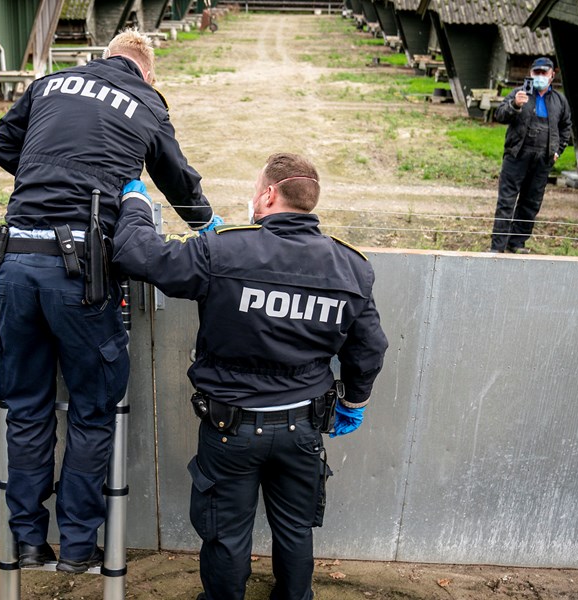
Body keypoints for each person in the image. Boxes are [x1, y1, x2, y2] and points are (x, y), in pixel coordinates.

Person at [0, 29, 218, 573]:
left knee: (25, 405)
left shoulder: (48, 83)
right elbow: (178, 182)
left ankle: (24, 541)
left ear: (106, 57)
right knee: (92, 412)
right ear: (148, 72)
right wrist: (212, 228)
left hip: (15, 261)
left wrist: (47, 179)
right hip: (81, 275)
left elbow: (1, 147)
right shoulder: (145, 102)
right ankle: (76, 548)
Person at [113, 153, 388, 600]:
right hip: (304, 427)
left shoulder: (221, 249)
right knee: (296, 529)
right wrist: (352, 403)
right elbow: (369, 348)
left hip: (230, 430)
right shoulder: (351, 267)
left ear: (267, 194)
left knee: (226, 535)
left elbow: (138, 255)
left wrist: (135, 205)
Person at [490, 56, 571, 253]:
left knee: (531, 202)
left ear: (552, 75)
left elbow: (566, 127)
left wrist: (557, 152)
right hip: (517, 155)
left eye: (544, 73)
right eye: (537, 73)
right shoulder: (518, 93)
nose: (540, 76)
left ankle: (517, 243)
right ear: (530, 74)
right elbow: (499, 115)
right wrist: (514, 106)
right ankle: (498, 246)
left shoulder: (559, 101)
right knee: (507, 200)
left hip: (543, 159)